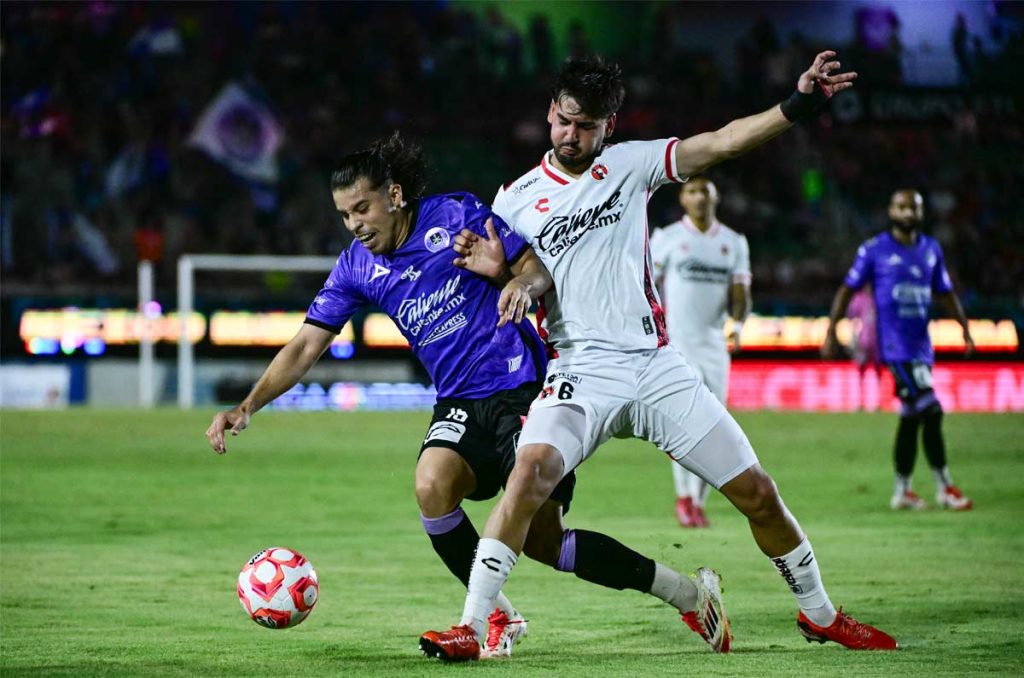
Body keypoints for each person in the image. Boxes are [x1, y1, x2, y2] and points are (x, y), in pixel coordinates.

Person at [420, 51, 899, 661]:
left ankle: (820, 615)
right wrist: (499, 274)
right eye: (564, 121)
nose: (572, 135)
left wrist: (798, 103)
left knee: (758, 493)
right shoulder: (513, 200)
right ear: (550, 113)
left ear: (609, 126)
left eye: (587, 126)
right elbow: (511, 279)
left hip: (655, 366)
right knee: (527, 477)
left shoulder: (630, 163)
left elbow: (722, 143)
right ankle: (472, 625)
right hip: (578, 370)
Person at [206, 133, 727, 658]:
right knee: (431, 485)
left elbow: (534, 268)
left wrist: (518, 284)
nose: (355, 224)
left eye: (362, 208)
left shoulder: (456, 215)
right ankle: (495, 617)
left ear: (394, 195)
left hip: (525, 388)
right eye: (344, 215)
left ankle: (685, 594)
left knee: (545, 543)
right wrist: (247, 405)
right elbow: (305, 345)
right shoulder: (357, 267)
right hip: (458, 399)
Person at [823, 189, 975, 511]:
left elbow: (945, 292)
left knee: (911, 417)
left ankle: (902, 491)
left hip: (921, 346)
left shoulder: (931, 249)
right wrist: (831, 330)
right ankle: (945, 487)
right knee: (932, 410)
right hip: (893, 347)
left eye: (913, 208)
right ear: (891, 211)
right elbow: (847, 290)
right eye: (901, 207)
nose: (908, 213)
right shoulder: (874, 250)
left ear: (921, 212)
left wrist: (964, 328)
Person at [651, 176, 751, 528]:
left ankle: (698, 501)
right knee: (683, 422)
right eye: (692, 192)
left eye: (705, 192)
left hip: (715, 345)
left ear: (715, 197)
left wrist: (737, 325)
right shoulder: (666, 238)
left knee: (715, 426)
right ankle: (685, 498)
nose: (699, 198)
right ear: (682, 198)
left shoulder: (733, 242)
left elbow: (741, 292)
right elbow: (646, 284)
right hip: (677, 344)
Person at [846, 285, 884, 411]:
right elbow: (853, 320)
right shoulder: (858, 299)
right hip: (863, 340)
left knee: (878, 371)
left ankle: (879, 402)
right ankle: (860, 401)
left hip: (877, 341)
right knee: (861, 370)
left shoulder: (879, 298)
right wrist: (854, 338)